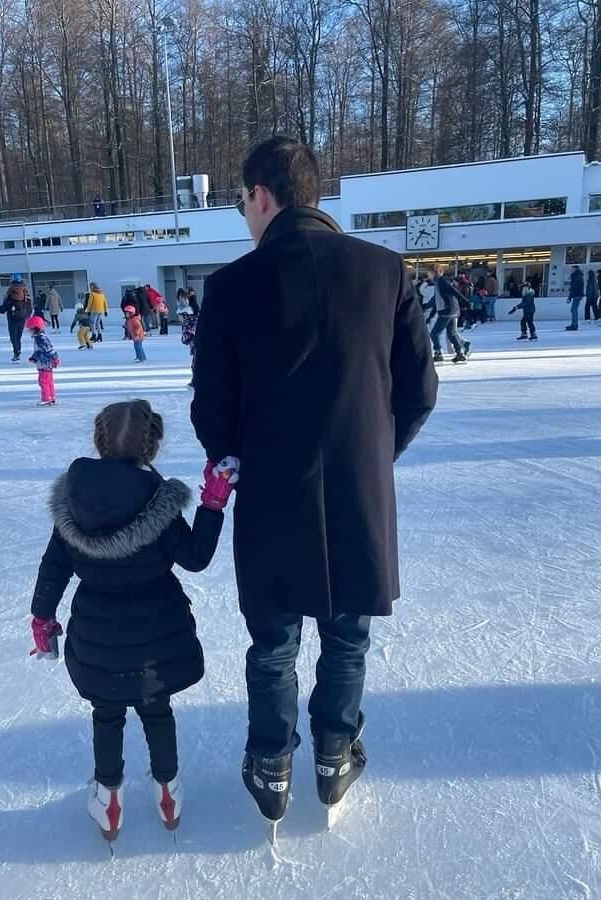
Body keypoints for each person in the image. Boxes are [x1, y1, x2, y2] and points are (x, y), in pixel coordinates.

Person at [191, 136, 438, 829]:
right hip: (359, 498)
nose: (244, 215)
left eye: (243, 201)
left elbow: (212, 409)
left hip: (271, 498)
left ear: (262, 197)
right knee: (347, 636)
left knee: (273, 644)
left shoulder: (230, 286)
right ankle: (334, 751)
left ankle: (272, 765)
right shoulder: (383, 270)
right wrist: (371, 456)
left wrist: (239, 451)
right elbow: (419, 390)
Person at [29, 399, 233, 839]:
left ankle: (108, 799)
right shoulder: (158, 503)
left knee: (106, 713)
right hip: (156, 631)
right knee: (156, 709)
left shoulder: (74, 498)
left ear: (99, 442)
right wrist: (212, 505)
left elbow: (54, 564)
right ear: (151, 446)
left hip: (96, 630)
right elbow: (195, 559)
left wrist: (42, 616)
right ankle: (168, 790)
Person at [428, 266, 470, 363]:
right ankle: (459, 354)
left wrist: (465, 301)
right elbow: (436, 301)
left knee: (434, 333)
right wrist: (431, 314)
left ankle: (438, 353)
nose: (428, 275)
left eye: (429, 273)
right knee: (451, 334)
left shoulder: (441, 281)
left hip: (447, 311)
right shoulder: (438, 282)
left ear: (436, 272)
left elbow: (453, 291)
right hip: (451, 311)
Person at [26, 314, 59, 406]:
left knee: (43, 381)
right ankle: (51, 397)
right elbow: (39, 351)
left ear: (36, 329)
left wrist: (55, 358)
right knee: (48, 380)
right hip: (45, 362)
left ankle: (46, 398)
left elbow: (48, 350)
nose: (29, 331)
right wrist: (34, 358)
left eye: (30, 329)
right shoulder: (40, 338)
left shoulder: (41, 339)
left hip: (45, 363)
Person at [0, 275, 32, 362]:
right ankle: (18, 351)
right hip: (22, 317)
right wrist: (27, 315)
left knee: (13, 337)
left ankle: (16, 353)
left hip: (12, 317)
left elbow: (5, 306)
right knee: (18, 337)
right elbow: (29, 306)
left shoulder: (10, 291)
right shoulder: (25, 292)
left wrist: (0, 310)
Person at [566, 265, 584, 330]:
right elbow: (574, 287)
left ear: (576, 269)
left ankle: (575, 325)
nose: (571, 270)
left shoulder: (576, 277)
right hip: (577, 294)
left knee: (574, 310)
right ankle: (574, 324)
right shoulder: (577, 276)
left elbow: (574, 288)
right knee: (573, 310)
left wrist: (569, 298)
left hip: (577, 295)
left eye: (572, 269)